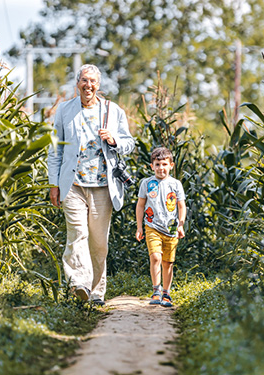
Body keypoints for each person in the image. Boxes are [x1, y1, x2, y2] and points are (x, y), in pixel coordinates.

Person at [48, 64, 135, 306]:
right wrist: (53, 184)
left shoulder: (113, 111)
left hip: (102, 186)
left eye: (93, 81)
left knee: (98, 241)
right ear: (77, 83)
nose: (89, 85)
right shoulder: (65, 110)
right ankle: (80, 283)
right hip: (73, 184)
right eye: (84, 80)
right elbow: (54, 150)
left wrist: (115, 139)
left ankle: (97, 292)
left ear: (99, 85)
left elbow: (130, 143)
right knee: (78, 234)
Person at [136, 147, 186, 307]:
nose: (161, 168)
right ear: (152, 166)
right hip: (152, 226)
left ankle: (166, 293)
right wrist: (139, 227)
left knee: (168, 262)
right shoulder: (146, 183)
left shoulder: (176, 184)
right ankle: (156, 290)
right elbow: (140, 205)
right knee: (156, 257)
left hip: (171, 229)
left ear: (171, 165)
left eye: (164, 164)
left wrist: (181, 224)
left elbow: (181, 206)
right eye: (157, 164)